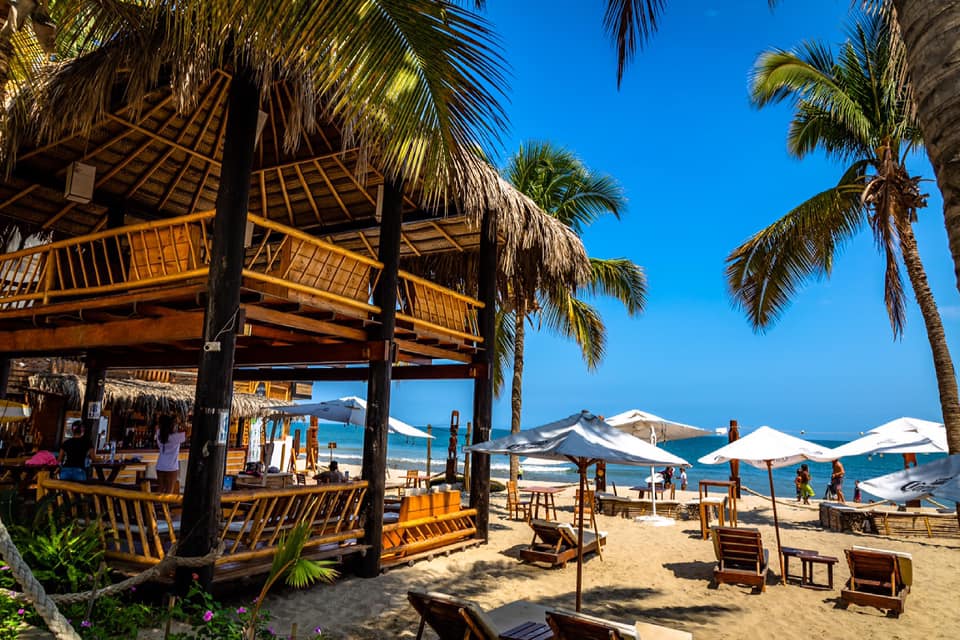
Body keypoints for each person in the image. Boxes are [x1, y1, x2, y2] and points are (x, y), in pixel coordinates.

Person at [156, 415, 186, 493]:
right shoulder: (175, 437)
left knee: (160, 489)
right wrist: (181, 423)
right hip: (171, 467)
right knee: (169, 491)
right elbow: (189, 431)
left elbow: (159, 427)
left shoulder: (159, 434)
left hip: (160, 466)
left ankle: (155, 501)